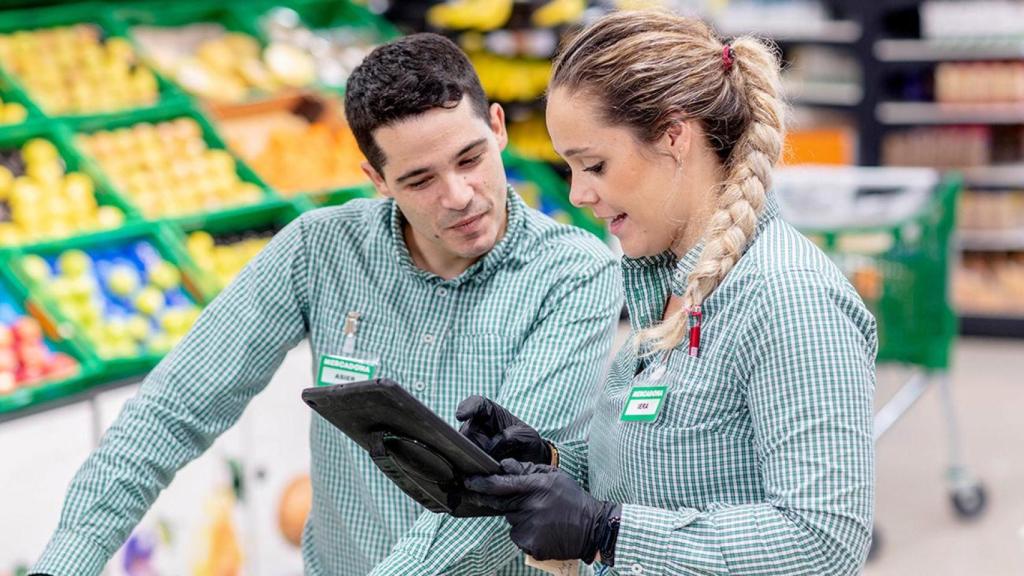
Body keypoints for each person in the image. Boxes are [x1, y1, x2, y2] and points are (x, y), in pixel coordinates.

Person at [32, 33, 622, 576]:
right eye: (419, 180)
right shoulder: (319, 250)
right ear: (376, 178)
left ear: (498, 127)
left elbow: (505, 497)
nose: (459, 196)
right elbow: (169, 413)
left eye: (469, 158)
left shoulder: (574, 274)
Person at [457, 11, 877, 576]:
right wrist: (549, 464)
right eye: (570, 167)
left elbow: (823, 540)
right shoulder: (665, 286)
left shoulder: (788, 299)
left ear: (674, 135)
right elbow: (665, 474)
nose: (578, 193)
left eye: (595, 165)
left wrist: (606, 532)